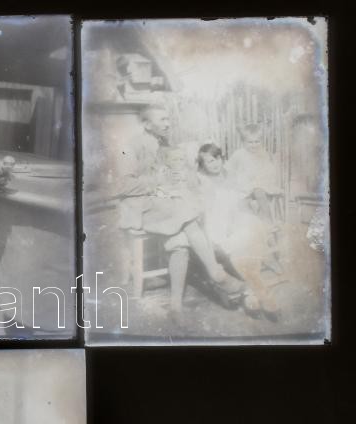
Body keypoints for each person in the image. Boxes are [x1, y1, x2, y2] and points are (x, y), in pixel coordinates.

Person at [114, 105, 243, 313]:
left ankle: (175, 305)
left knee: (180, 240)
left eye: (168, 119)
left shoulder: (163, 145)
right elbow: (123, 186)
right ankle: (216, 273)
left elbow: (172, 174)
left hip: (161, 206)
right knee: (187, 213)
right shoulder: (130, 147)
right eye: (162, 120)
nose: (168, 124)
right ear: (147, 125)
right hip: (138, 207)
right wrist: (157, 181)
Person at [197, 143, 280, 320]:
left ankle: (251, 293)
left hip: (235, 220)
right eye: (209, 161)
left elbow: (242, 204)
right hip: (217, 225)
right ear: (203, 165)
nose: (215, 164)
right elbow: (206, 212)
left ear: (222, 158)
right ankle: (260, 293)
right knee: (240, 241)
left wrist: (245, 217)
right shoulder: (202, 181)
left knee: (252, 225)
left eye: (217, 158)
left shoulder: (232, 177)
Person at [226, 123, 281, 223]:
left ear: (261, 141)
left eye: (257, 142)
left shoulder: (263, 154)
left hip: (260, 184)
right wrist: (232, 181)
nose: (254, 145)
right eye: (250, 142)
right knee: (242, 202)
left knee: (259, 191)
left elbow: (269, 171)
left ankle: (268, 221)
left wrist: (264, 180)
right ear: (243, 142)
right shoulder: (239, 154)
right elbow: (229, 169)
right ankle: (254, 221)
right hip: (243, 186)